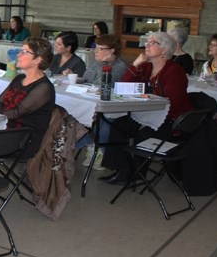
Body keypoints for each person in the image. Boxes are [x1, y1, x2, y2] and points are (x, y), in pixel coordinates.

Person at [99, 32, 193, 184]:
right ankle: (121, 170)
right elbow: (124, 87)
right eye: (147, 42)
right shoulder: (146, 67)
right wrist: (135, 65)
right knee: (118, 125)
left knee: (142, 136)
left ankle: (136, 174)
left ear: (164, 50)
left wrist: (148, 117)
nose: (147, 45)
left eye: (153, 43)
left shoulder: (174, 71)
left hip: (171, 120)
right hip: (144, 114)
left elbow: (174, 102)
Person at [0, 38, 56, 157]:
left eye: (25, 52)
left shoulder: (44, 87)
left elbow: (17, 113)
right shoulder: (19, 78)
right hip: (6, 128)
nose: (19, 55)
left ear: (37, 59)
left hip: (23, 138)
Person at [76, 34, 129, 169]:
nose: (96, 51)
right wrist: (74, 78)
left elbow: (107, 85)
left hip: (111, 107)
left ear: (112, 50)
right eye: (96, 48)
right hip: (90, 100)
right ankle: (90, 144)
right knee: (70, 114)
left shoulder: (121, 65)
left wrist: (104, 64)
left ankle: (101, 152)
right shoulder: (96, 62)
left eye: (100, 48)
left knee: (102, 122)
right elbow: (85, 78)